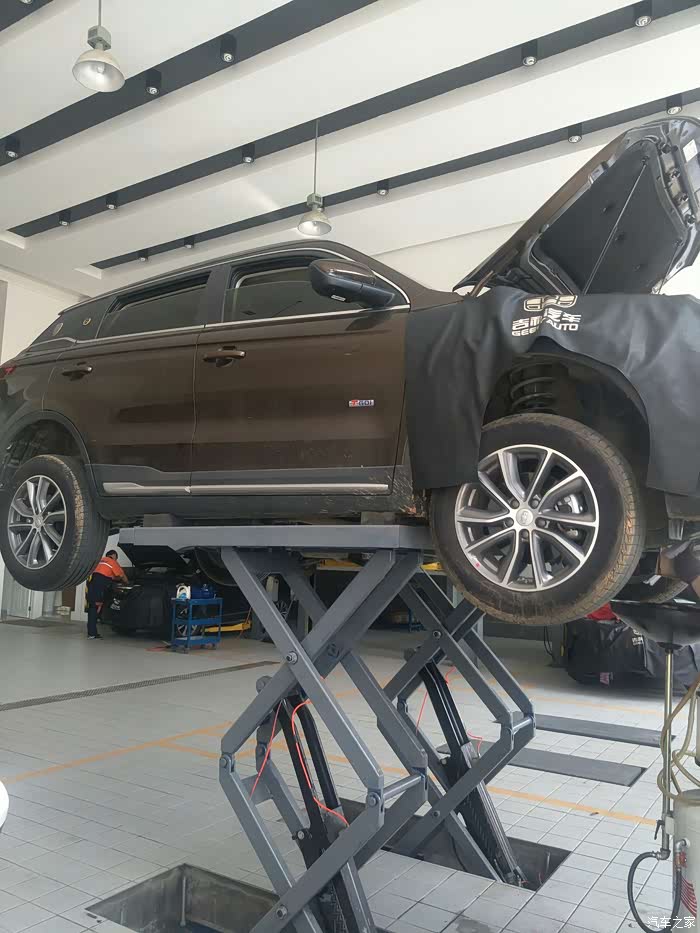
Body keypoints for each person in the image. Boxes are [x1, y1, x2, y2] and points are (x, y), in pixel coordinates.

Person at [86, 549, 128, 639]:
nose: (116, 560)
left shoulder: (100, 560)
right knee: (97, 608)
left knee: (92, 608)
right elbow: (121, 575)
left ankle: (91, 633)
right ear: (113, 556)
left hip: (92, 585)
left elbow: (108, 575)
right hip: (100, 586)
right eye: (116, 558)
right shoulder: (112, 562)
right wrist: (127, 583)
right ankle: (93, 633)